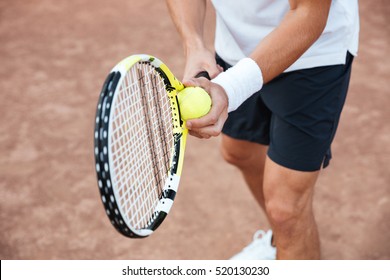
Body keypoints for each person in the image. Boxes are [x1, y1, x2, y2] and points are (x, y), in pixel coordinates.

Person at [166, 0, 359, 260]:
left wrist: (231, 88)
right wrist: (194, 45)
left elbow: (308, 13)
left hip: (314, 54)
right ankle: (280, 241)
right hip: (236, 46)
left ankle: (288, 231)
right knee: (238, 152)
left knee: (286, 211)